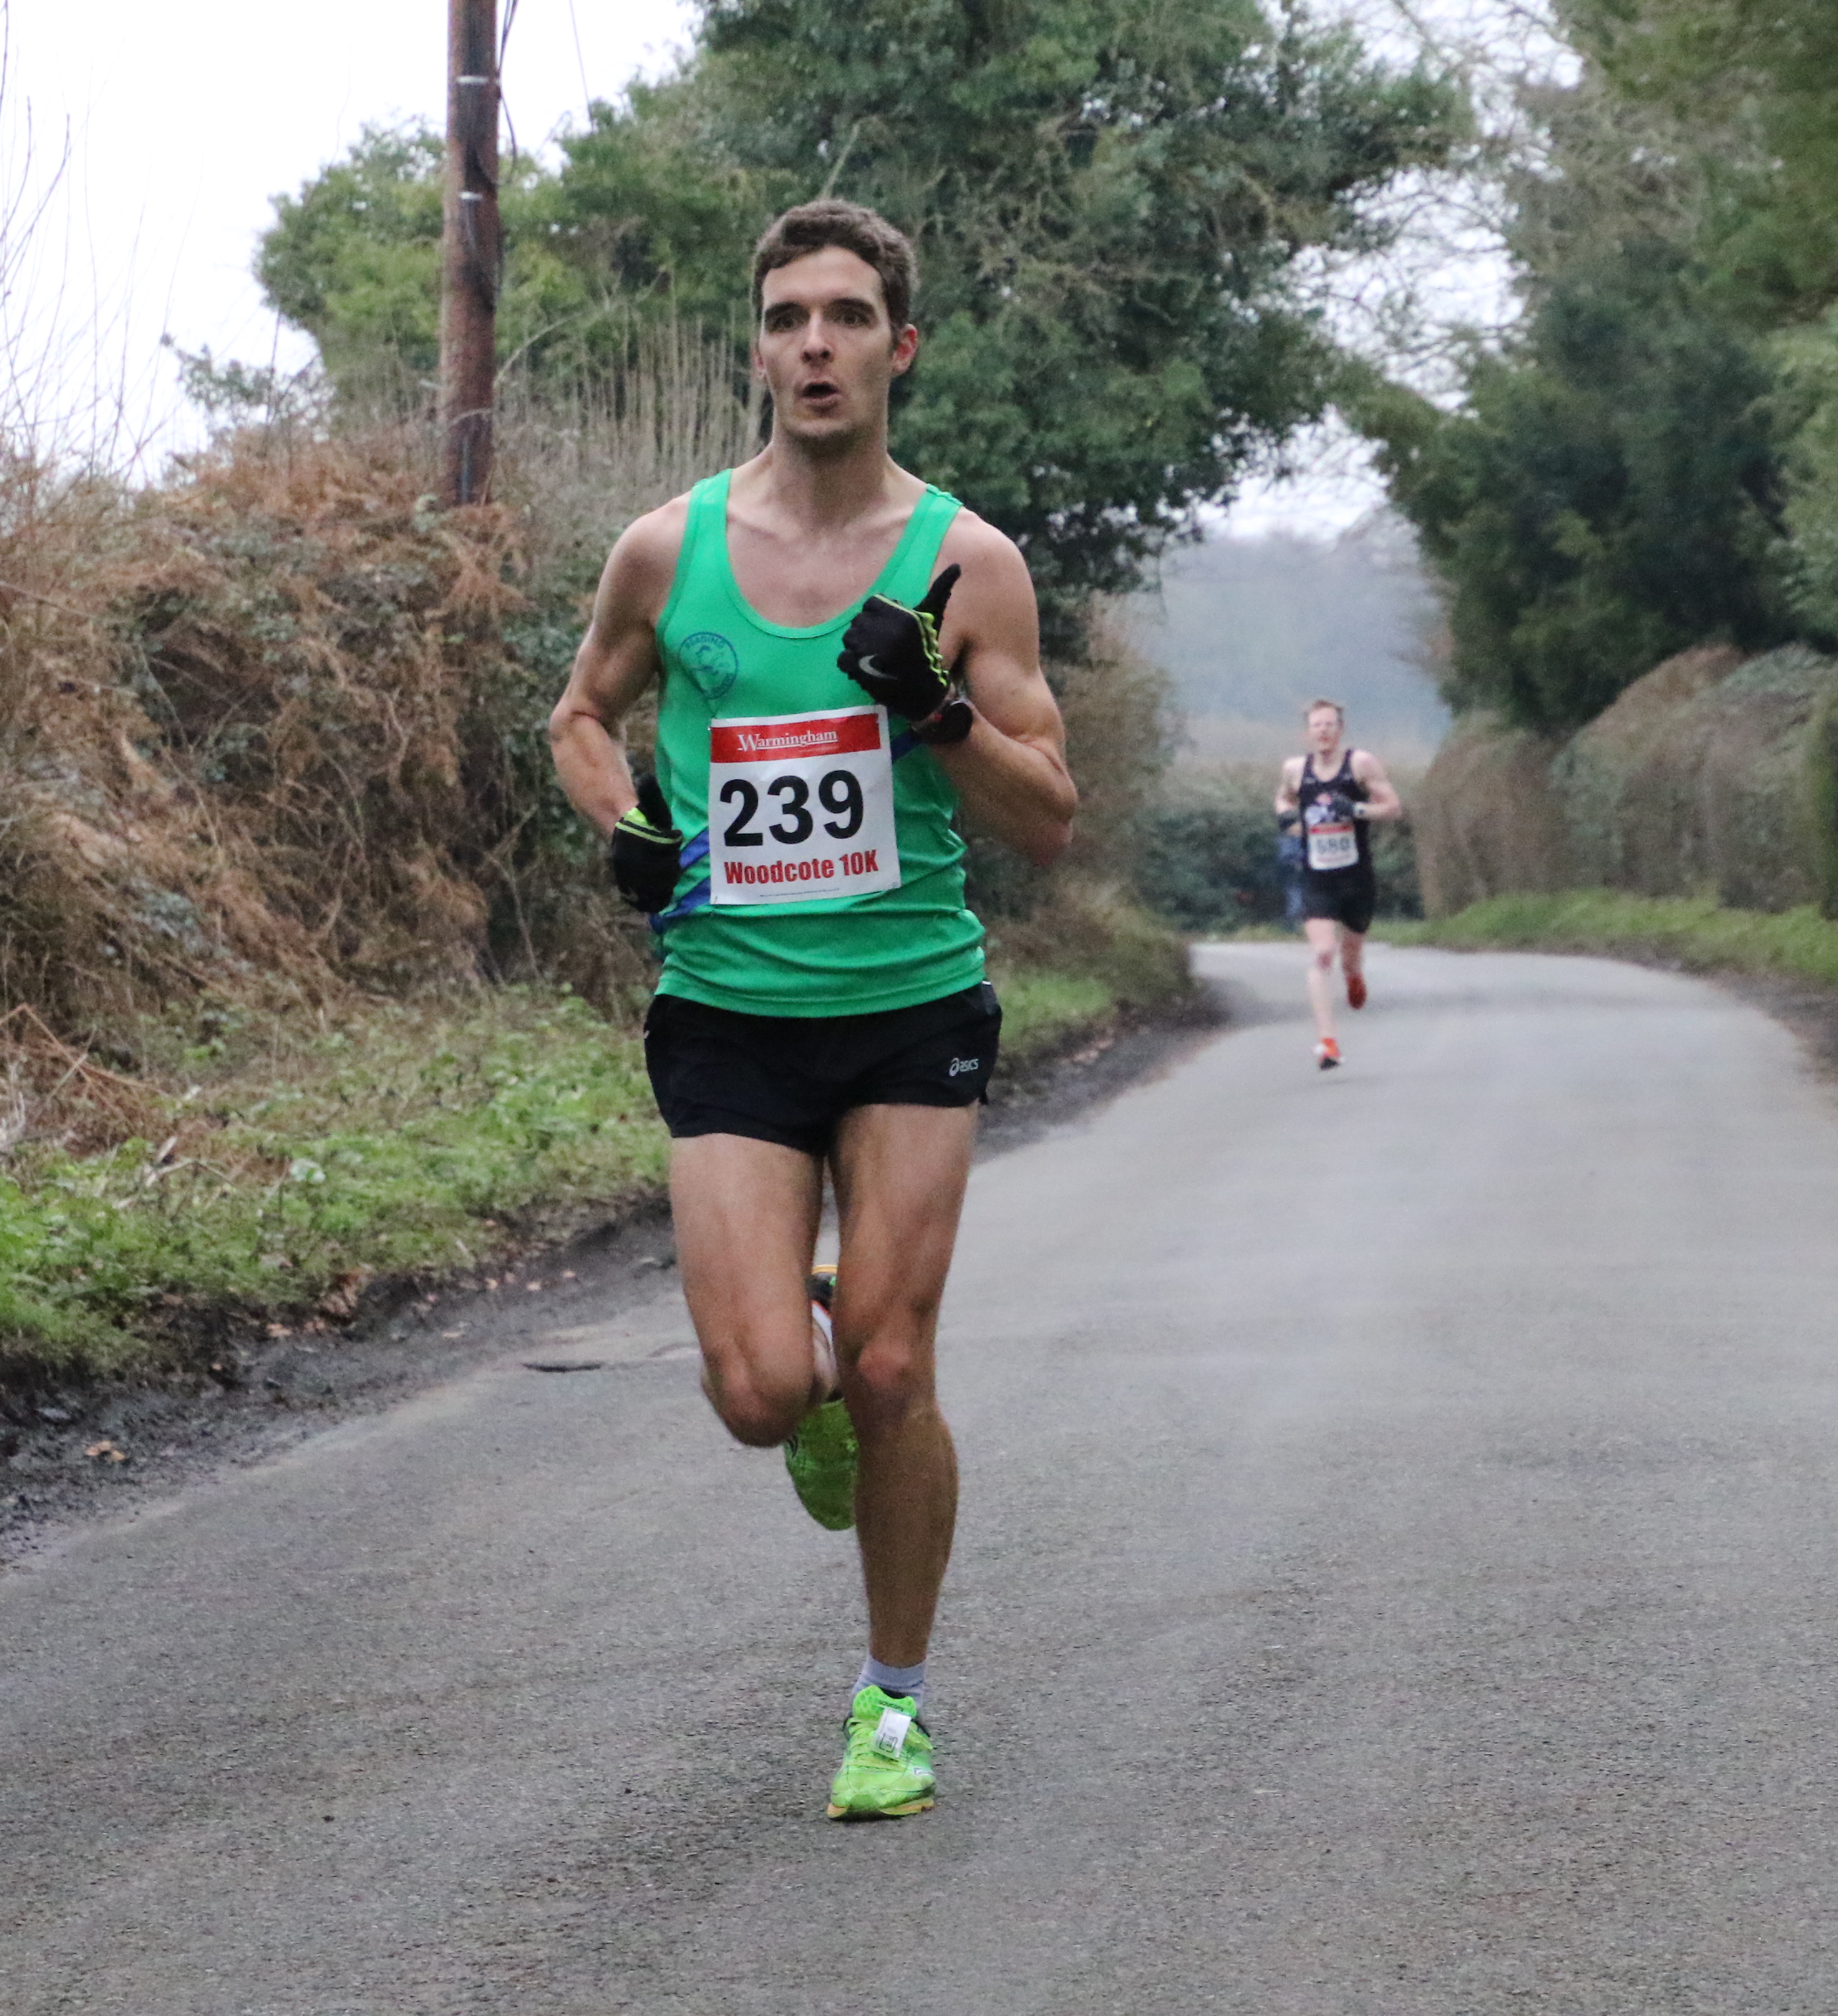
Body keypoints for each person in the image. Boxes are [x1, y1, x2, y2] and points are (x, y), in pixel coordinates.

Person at [547, 199, 1076, 1820]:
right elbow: (579, 717)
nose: (816, 345)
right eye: (788, 319)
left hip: (910, 1003)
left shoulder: (967, 564)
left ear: (898, 347)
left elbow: (1050, 812)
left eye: (846, 317)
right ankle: (816, 1329)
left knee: (894, 1371)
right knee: (764, 1390)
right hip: (728, 1008)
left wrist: (934, 712)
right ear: (760, 349)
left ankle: (892, 1705)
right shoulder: (669, 550)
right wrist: (630, 831)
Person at [1275, 699, 1403, 1069]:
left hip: (1357, 878)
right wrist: (1288, 819)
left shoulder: (1360, 764)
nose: (1324, 731)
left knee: (1348, 956)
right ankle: (1328, 1044)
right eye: (1317, 725)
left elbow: (1394, 807)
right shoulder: (1295, 770)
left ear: (1341, 729)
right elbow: (1282, 800)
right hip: (1317, 878)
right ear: (1307, 732)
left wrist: (1358, 809)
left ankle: (1354, 974)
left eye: (1330, 724)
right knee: (1322, 953)